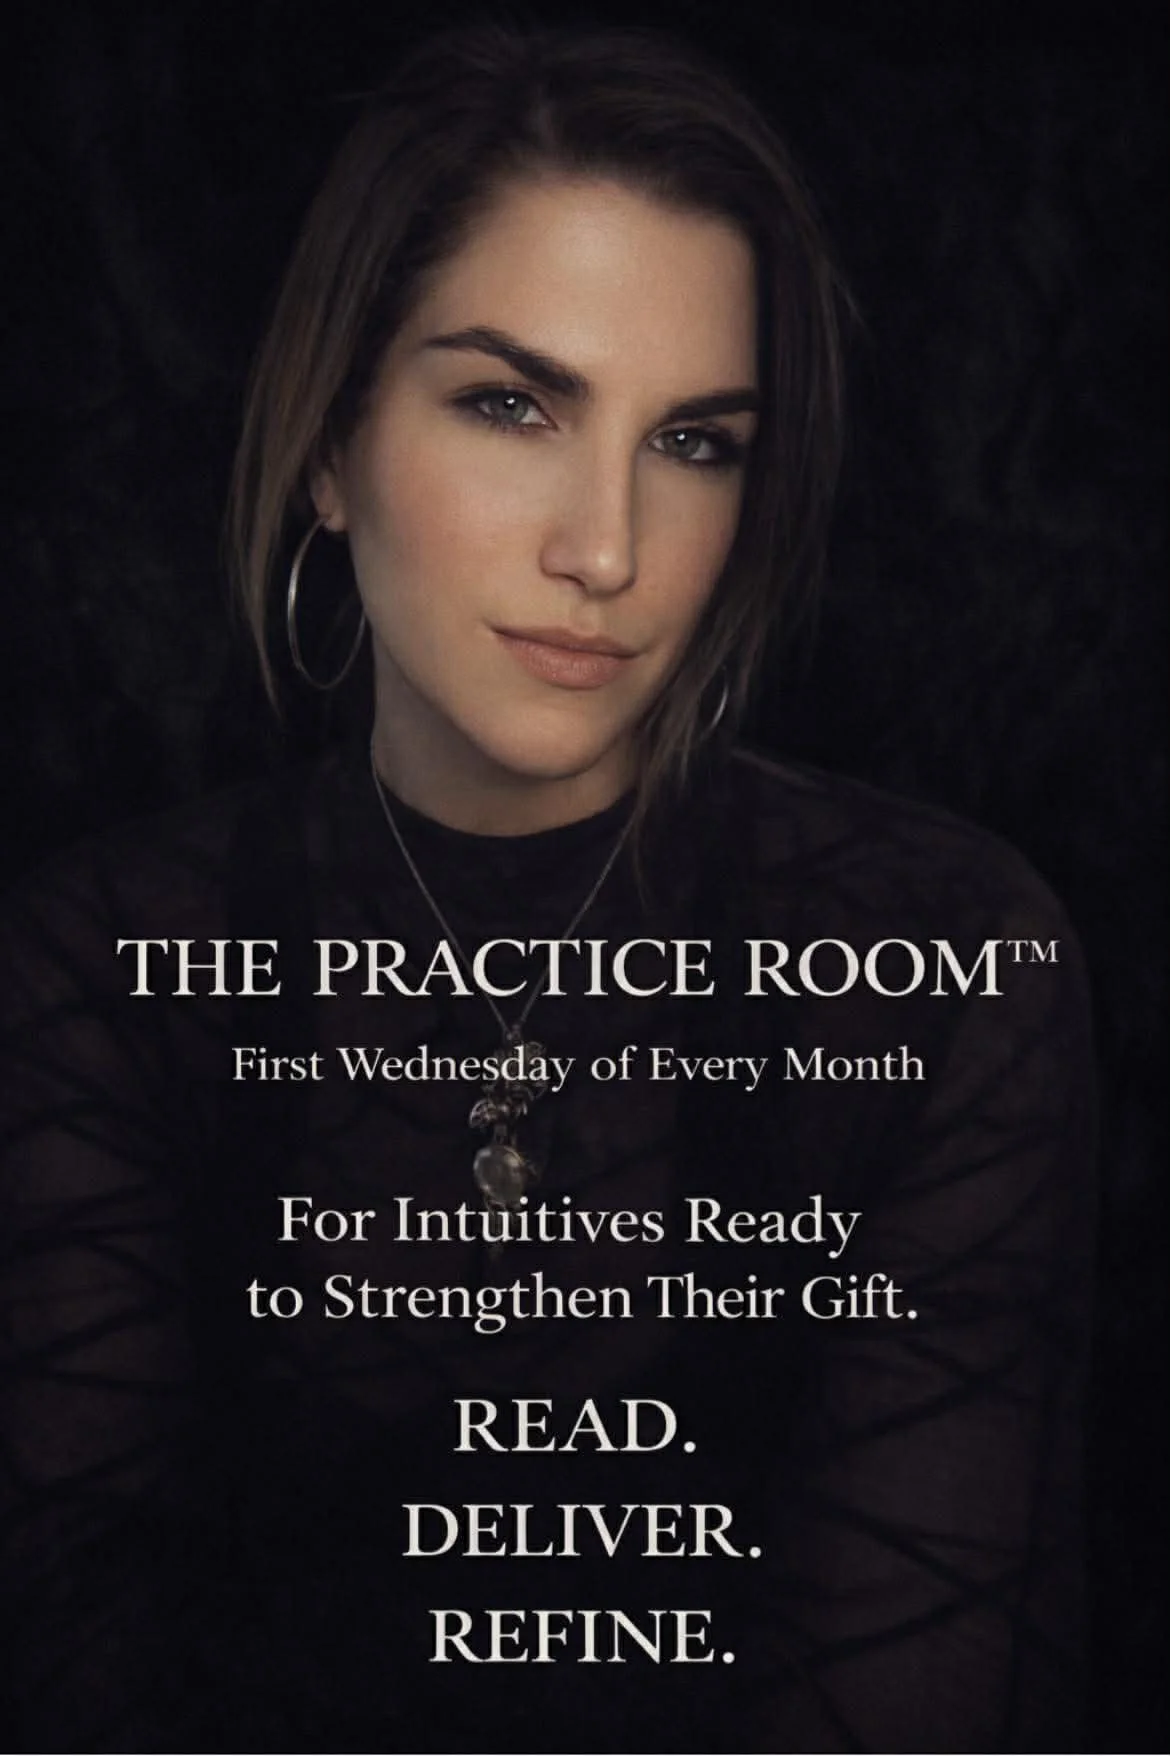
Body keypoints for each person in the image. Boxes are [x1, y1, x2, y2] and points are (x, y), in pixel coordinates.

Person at [0, 21, 1095, 1754]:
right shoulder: (95, 965)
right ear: (329, 442)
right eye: (510, 406)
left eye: (695, 442)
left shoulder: (944, 960)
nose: (606, 549)